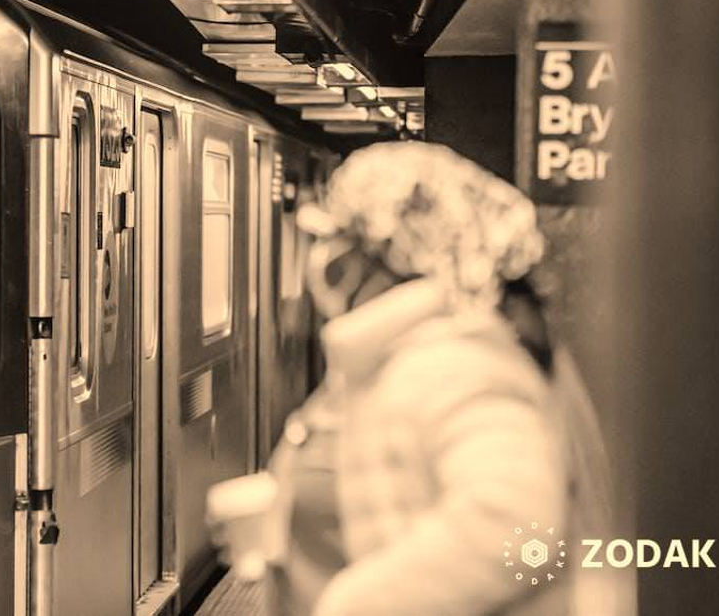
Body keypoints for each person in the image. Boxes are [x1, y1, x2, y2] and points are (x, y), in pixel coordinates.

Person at [208, 141, 630, 615]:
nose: (323, 258)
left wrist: (353, 605)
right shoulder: (386, 358)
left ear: (393, 255)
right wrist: (286, 511)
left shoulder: (456, 365)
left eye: (341, 238)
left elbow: (518, 530)